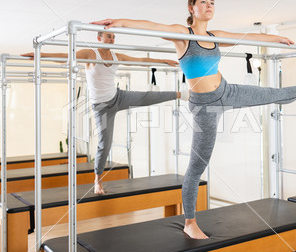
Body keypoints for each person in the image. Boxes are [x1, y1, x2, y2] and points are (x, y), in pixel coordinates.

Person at [91, 0, 296, 239]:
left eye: (212, 2)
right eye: (203, 2)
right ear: (191, 8)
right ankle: (189, 222)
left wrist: (275, 40)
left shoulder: (215, 36)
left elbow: (245, 36)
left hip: (226, 90)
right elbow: (151, 25)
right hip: (204, 104)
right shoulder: (183, 35)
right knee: (197, 167)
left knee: (270, 93)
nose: (209, 6)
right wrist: (117, 22)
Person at [22, 31, 187, 194]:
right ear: (99, 38)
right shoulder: (89, 53)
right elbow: (66, 56)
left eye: (114, 37)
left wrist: (163, 61)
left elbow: (141, 60)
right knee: (104, 144)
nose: (112, 39)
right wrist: (41, 55)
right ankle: (97, 180)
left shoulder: (117, 56)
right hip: (101, 107)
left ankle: (181, 94)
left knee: (145, 97)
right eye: (109, 36)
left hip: (118, 96)